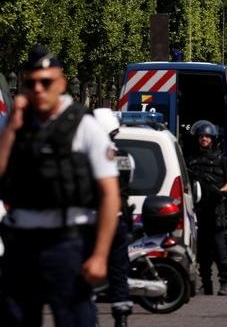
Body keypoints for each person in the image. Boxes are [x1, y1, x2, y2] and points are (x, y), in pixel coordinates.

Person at [0, 45, 121, 327]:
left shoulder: (83, 125)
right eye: (31, 83)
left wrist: (100, 255)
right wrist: (12, 128)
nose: (39, 89)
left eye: (47, 82)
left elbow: (109, 194)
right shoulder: (12, 125)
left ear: (62, 83)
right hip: (21, 244)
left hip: (67, 243)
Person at [93, 108, 135, 327]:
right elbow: (127, 184)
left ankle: (88, 316)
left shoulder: (88, 155)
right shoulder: (124, 157)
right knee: (119, 271)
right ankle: (122, 318)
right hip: (118, 218)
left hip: (94, 219)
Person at [186, 121, 227, 296]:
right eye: (201, 136)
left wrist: (221, 192)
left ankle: (224, 281)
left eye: (207, 136)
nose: (204, 139)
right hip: (198, 210)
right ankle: (206, 283)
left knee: (219, 248)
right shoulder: (191, 159)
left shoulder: (220, 159)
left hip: (216, 209)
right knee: (202, 249)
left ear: (213, 139)